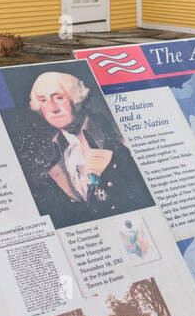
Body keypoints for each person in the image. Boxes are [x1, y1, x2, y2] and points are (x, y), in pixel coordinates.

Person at [22, 70, 153, 228]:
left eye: (59, 98)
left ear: (76, 97)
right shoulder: (56, 161)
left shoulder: (114, 141)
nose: (52, 108)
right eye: (43, 100)